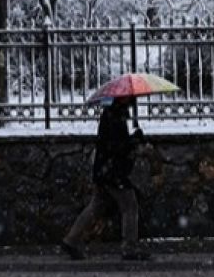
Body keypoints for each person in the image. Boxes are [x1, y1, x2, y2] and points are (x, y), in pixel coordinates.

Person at [61, 95, 151, 261]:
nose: (132, 101)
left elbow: (113, 145)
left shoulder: (113, 115)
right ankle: (129, 248)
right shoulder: (115, 117)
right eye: (131, 98)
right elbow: (116, 146)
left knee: (96, 206)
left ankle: (71, 240)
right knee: (130, 205)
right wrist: (133, 141)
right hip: (113, 172)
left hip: (105, 171)